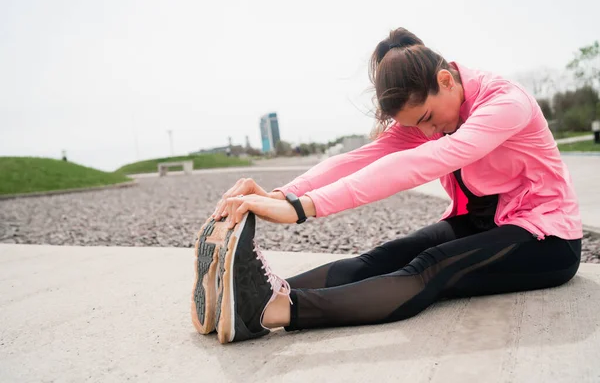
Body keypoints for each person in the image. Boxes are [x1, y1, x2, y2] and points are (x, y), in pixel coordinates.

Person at [191, 28, 583, 344]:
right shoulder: (432, 108)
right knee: (383, 256)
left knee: (429, 269)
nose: (427, 131)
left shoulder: (504, 104)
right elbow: (363, 158)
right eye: (418, 126)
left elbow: (424, 161)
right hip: (484, 219)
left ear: (445, 80)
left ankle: (274, 311)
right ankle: (245, 294)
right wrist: (284, 194)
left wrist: (304, 208)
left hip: (545, 238)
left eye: (428, 118)